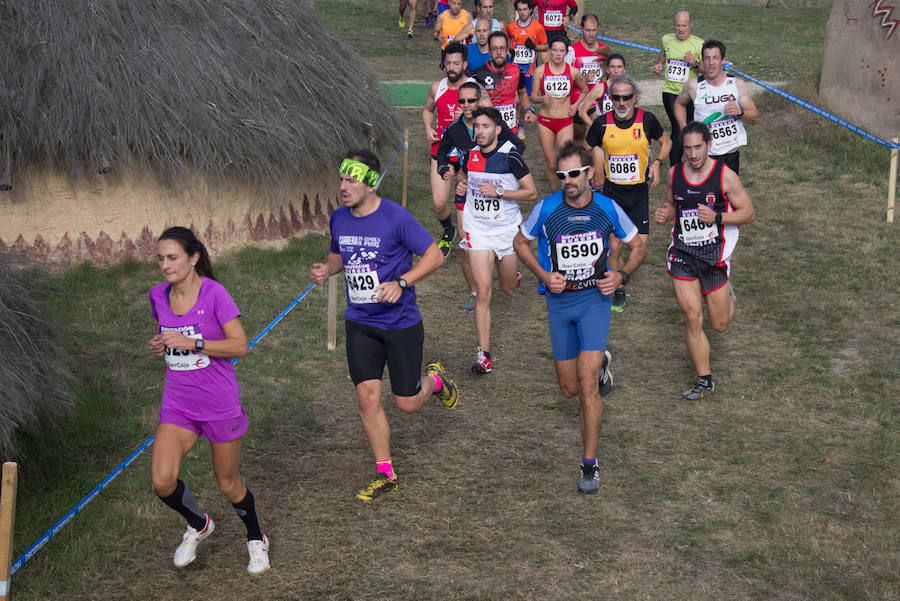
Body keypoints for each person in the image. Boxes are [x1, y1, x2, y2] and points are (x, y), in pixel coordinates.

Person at [310, 150, 460, 501]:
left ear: (371, 182)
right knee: (367, 396)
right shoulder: (339, 219)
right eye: (341, 180)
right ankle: (385, 472)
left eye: (351, 180)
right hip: (360, 322)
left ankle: (434, 382)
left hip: (400, 323)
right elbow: (338, 255)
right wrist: (327, 269)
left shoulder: (396, 218)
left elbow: (435, 255)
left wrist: (403, 282)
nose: (343, 187)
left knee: (406, 402)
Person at [514, 141, 645, 494]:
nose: (568, 180)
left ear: (589, 173)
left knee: (587, 387)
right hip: (559, 304)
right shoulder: (545, 209)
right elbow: (519, 243)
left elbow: (638, 244)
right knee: (569, 389)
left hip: (594, 301)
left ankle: (590, 464)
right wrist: (544, 276)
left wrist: (621, 276)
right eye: (562, 175)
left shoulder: (607, 207)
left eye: (574, 174)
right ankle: (600, 364)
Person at [148, 226, 269, 573]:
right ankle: (199, 524)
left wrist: (194, 343)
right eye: (160, 259)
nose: (165, 266)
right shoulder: (158, 296)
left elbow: (240, 347)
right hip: (178, 404)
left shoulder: (215, 294)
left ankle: (256, 537)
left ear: (194, 257)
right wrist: (161, 343)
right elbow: (165, 334)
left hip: (218, 403)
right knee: (162, 481)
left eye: (172, 257)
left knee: (229, 484)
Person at [653, 121, 755, 400]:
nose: (693, 154)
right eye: (688, 149)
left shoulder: (725, 176)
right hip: (683, 253)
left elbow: (748, 213)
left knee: (719, 324)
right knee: (692, 317)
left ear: (709, 145)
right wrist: (665, 214)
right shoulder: (675, 174)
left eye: (698, 147)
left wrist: (718, 217)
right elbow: (673, 205)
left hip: (714, 257)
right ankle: (704, 380)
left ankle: (726, 291)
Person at [456, 107, 537, 373]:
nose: (479, 131)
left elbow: (531, 193)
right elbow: (465, 177)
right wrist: (462, 185)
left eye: (485, 126)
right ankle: (484, 355)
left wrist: (500, 191)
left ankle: (513, 276)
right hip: (478, 229)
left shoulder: (510, 156)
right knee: (483, 292)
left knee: (508, 289)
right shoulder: (470, 155)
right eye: (477, 126)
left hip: (506, 231)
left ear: (497, 130)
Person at [584, 74, 670, 312]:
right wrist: (589, 169)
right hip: (613, 193)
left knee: (639, 249)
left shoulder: (647, 120)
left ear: (635, 98)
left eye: (626, 98)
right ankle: (618, 286)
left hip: (639, 194)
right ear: (610, 98)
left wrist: (658, 163)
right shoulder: (602, 123)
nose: (621, 103)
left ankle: (621, 274)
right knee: (615, 244)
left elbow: (667, 141)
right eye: (616, 98)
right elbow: (584, 149)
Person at [437, 81, 525, 312]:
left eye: (471, 100)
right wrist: (444, 168)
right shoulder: (455, 129)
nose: (466, 105)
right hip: (467, 196)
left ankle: (507, 269)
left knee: (498, 261)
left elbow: (518, 148)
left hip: (496, 199)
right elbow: (441, 152)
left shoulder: (492, 124)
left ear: (479, 100)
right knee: (466, 248)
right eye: (462, 101)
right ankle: (476, 292)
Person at [674, 40, 758, 174]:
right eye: (707, 58)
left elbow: (754, 117)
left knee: (728, 193)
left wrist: (740, 112)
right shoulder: (693, 86)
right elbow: (679, 104)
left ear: (723, 60)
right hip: (705, 155)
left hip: (730, 153)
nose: (711, 63)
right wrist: (684, 127)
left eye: (715, 58)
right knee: (705, 194)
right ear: (702, 61)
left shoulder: (737, 84)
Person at [423, 42, 475, 257]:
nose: (451, 68)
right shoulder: (437, 88)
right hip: (442, 150)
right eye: (447, 64)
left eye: (456, 63)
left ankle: (474, 240)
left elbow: (488, 115)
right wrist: (428, 127)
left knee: (470, 201)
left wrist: (467, 116)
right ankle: (448, 230)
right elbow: (427, 109)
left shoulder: (473, 88)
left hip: (468, 153)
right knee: (439, 203)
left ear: (464, 64)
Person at [531, 37, 588, 190]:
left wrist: (576, 105)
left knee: (565, 162)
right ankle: (555, 196)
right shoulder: (540, 71)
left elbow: (584, 89)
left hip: (565, 121)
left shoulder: (573, 72)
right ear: (550, 51)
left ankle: (567, 195)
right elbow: (533, 96)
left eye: (561, 51)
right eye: (554, 50)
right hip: (546, 122)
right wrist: (541, 98)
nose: (557, 54)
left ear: (566, 52)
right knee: (551, 164)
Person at [653, 10, 704, 166]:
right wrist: (660, 64)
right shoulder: (666, 39)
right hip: (670, 91)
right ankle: (675, 167)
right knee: (677, 127)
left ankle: (691, 159)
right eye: (678, 25)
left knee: (687, 127)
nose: (681, 29)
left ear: (691, 25)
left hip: (690, 93)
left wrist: (694, 63)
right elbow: (663, 54)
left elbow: (707, 70)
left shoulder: (699, 44)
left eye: (684, 26)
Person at [472, 31, 537, 136]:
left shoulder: (517, 71)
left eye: (502, 48)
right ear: (489, 51)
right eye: (494, 48)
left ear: (507, 50)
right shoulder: (478, 75)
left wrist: (528, 109)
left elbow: (522, 93)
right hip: (487, 133)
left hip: (511, 130)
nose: (498, 52)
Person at [566, 13, 612, 140]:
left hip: (597, 101)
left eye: (594, 30)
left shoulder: (604, 50)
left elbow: (612, 74)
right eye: (587, 30)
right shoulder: (572, 51)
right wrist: (583, 80)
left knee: (600, 137)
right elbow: (565, 79)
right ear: (581, 29)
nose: (591, 34)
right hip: (578, 102)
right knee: (579, 140)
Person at [506, 0, 548, 96]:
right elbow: (502, 42)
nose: (522, 13)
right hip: (514, 69)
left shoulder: (538, 28)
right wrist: (508, 50)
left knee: (527, 98)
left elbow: (545, 47)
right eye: (519, 10)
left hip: (530, 71)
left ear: (530, 10)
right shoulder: (510, 27)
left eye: (525, 9)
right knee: (514, 97)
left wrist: (534, 46)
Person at [575, 52, 626, 128]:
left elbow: (635, 111)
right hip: (606, 133)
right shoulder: (600, 89)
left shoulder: (630, 88)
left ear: (624, 69)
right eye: (612, 67)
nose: (616, 70)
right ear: (607, 70)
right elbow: (582, 113)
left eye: (619, 67)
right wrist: (596, 129)